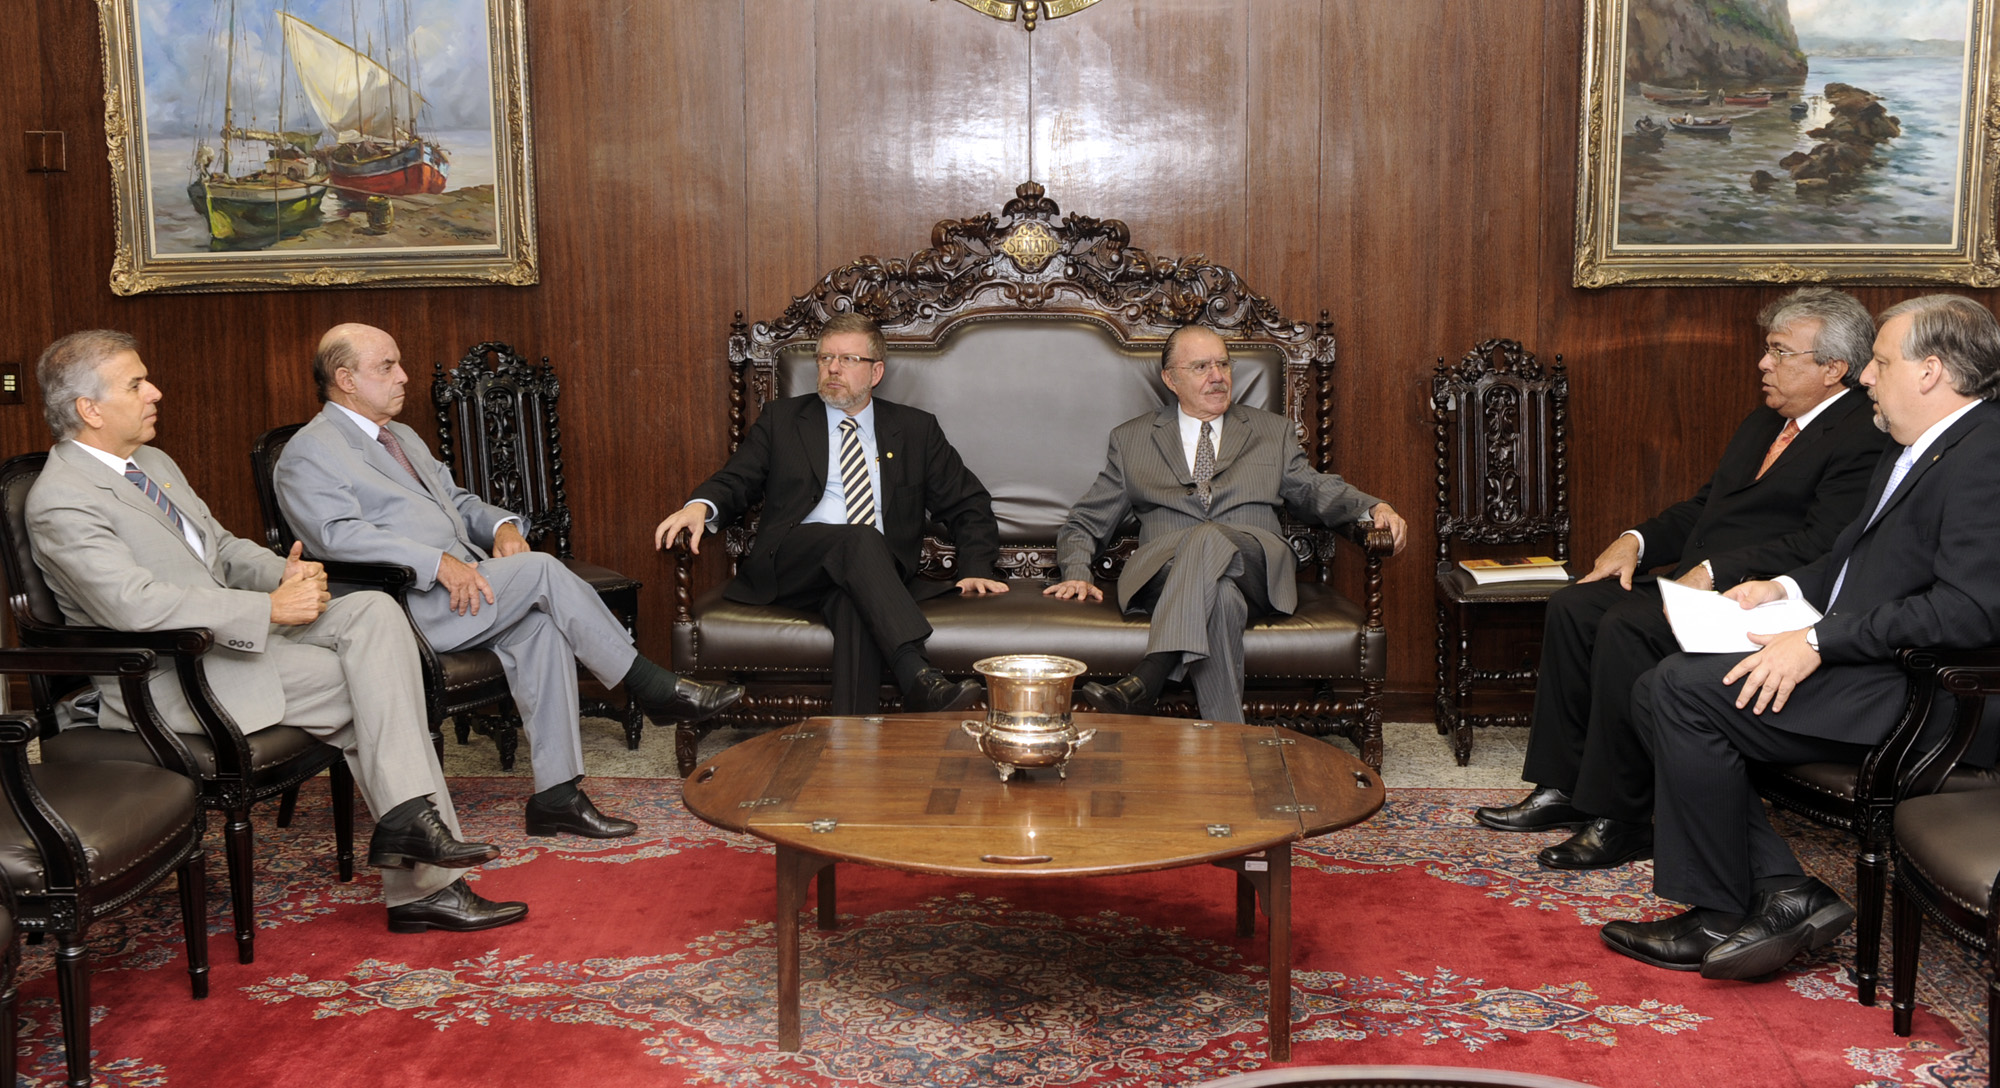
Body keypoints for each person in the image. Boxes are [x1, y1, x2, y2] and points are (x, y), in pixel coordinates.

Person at [25, 330, 524, 934]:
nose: (156, 392)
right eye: (137, 384)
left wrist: (291, 575)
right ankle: (424, 874)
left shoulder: (151, 463)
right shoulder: (61, 500)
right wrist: (268, 611)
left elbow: (223, 548)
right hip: (170, 677)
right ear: (89, 408)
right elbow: (135, 605)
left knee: (370, 610)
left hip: (231, 643)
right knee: (373, 685)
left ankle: (410, 834)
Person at [1603, 294, 2000, 980]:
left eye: (1878, 363)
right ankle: (1783, 891)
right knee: (1659, 685)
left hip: (1930, 694)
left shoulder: (1985, 456)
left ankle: (1729, 911)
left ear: (1931, 370)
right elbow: (1850, 557)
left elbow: (1968, 611)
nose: (1867, 378)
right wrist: (1780, 592)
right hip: (1873, 662)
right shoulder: (1916, 442)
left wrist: (1818, 643)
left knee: (1679, 693)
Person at [275, 324, 744, 841]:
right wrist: (438, 563)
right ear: (345, 379)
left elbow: (457, 502)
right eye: (387, 367)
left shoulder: (400, 436)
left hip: (464, 591)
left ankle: (556, 797)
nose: (404, 376)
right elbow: (338, 538)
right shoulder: (309, 452)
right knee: (543, 570)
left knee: (540, 627)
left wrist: (500, 526)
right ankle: (651, 687)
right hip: (401, 607)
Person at [1475, 288, 1889, 870]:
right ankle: (1563, 787)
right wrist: (1635, 541)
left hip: (1764, 600)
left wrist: (1717, 570)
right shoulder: (1766, 421)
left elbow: (1824, 543)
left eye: (1779, 351)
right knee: (1576, 605)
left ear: (1832, 369)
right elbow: (1704, 508)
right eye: (1766, 349)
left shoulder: (1861, 437)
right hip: (1699, 584)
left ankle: (1623, 817)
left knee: (1624, 625)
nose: (1763, 364)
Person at [1045, 323, 1409, 723]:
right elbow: (1085, 520)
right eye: (1201, 367)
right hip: (1167, 574)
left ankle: (1152, 673)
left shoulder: (1272, 432)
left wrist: (1374, 508)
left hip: (1256, 565)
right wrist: (1077, 571)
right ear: (1171, 379)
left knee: (1208, 536)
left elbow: (1315, 489)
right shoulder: (1132, 440)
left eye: (1223, 364)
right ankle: (1227, 749)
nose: (1217, 377)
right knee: (1220, 599)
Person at [653, 314, 1006, 714]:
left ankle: (850, 751)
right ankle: (916, 672)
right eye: (825, 359)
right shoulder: (783, 421)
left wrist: (977, 566)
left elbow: (969, 502)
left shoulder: (915, 430)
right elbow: (738, 478)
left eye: (847, 360)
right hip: (793, 562)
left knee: (852, 600)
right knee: (858, 537)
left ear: (876, 372)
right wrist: (701, 505)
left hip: (874, 573)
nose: (833, 368)